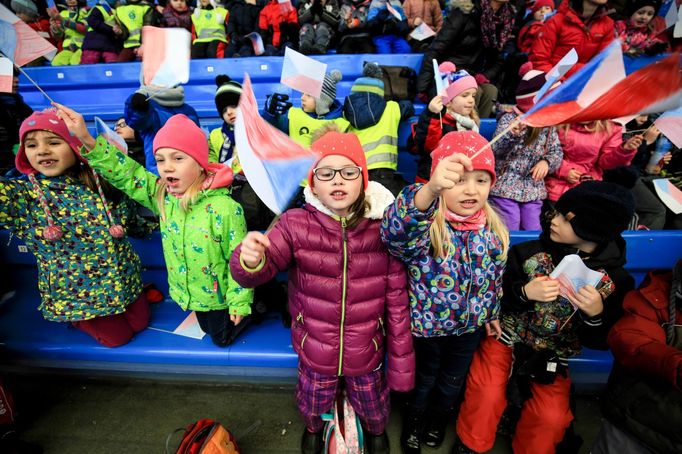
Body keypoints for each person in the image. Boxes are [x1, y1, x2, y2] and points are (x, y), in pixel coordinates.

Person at [230, 127, 415, 454]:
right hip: (313, 344)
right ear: (313, 181)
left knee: (372, 401)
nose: (338, 180)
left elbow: (398, 302)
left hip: (366, 346)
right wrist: (250, 259)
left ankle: (375, 429)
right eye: (326, 172)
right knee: (312, 397)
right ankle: (313, 426)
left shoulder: (384, 228)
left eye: (348, 171)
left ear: (364, 178)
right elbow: (259, 269)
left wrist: (400, 364)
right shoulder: (294, 224)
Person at [455, 180, 636, 454]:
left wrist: (595, 315)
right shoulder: (527, 253)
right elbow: (492, 297)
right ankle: (471, 443)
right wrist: (524, 292)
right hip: (506, 336)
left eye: (567, 219)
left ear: (593, 232)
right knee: (487, 390)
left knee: (550, 417)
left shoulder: (614, 280)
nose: (554, 220)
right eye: (557, 212)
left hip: (553, 356)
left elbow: (603, 340)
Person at [56, 105, 254, 348]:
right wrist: (86, 138)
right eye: (160, 159)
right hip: (193, 294)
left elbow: (239, 262)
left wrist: (239, 303)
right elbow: (127, 174)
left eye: (178, 158)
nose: (167, 167)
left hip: (221, 295)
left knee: (221, 339)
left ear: (201, 163)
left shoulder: (225, 209)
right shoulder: (163, 195)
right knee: (209, 328)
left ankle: (261, 302)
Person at [381, 131, 509, 454]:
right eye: (458, 180)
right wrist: (428, 191)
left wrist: (491, 314)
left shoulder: (493, 230)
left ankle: (439, 418)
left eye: (481, 180)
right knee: (424, 381)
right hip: (428, 330)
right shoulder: (428, 227)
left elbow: (492, 279)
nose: (471, 189)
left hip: (469, 329)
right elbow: (394, 233)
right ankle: (414, 418)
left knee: (452, 381)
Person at [0, 110, 150, 347]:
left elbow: (129, 216)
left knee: (141, 323)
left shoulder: (100, 181)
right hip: (80, 297)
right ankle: (77, 319)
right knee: (118, 338)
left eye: (54, 142)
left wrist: (152, 228)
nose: (42, 150)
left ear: (74, 145)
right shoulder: (24, 195)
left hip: (124, 280)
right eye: (31, 145)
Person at [592, 259, 682, 454]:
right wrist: (674, 363)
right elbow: (627, 337)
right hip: (636, 421)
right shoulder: (657, 293)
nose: (552, 225)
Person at [488, 64, 563, 231]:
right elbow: (496, 149)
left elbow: (556, 151)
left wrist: (547, 162)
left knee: (533, 228)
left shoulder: (548, 125)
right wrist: (512, 135)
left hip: (533, 188)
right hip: (505, 186)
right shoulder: (510, 120)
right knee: (510, 226)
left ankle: (529, 255)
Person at [416, 0, 517, 117]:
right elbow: (436, 49)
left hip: (473, 75)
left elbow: (500, 59)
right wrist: (423, 88)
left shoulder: (507, 18)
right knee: (473, 91)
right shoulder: (464, 12)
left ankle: (475, 131)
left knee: (490, 91)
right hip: (448, 73)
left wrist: (485, 76)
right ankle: (460, 132)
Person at [344, 62, 414, 196]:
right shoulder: (391, 108)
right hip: (382, 169)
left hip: (355, 169)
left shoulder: (345, 112)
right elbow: (408, 107)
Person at [410, 62, 480, 183]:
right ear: (449, 101)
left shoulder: (470, 123)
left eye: (473, 96)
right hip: (431, 181)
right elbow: (426, 146)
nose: (471, 101)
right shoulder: (439, 119)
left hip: (457, 182)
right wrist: (432, 114)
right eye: (465, 95)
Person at [545, 121, 642, 205]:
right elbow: (544, 153)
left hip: (589, 186)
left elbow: (606, 163)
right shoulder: (559, 121)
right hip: (555, 184)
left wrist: (624, 150)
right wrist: (564, 171)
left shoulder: (611, 128)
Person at [123, 83, 200, 175]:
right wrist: (136, 107)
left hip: (187, 172)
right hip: (158, 173)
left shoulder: (188, 110)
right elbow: (137, 121)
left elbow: (196, 142)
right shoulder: (148, 105)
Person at [529, 0, 615, 80]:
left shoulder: (607, 24)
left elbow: (604, 64)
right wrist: (560, 85)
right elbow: (539, 61)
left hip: (584, 87)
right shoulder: (556, 21)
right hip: (554, 87)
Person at [263, 70, 349, 148]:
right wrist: (270, 113)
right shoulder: (293, 115)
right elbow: (273, 127)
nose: (302, 98)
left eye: (309, 95)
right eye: (302, 93)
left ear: (322, 102)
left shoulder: (341, 124)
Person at [48, 0, 89, 66]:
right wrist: (55, 27)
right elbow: (58, 37)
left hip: (84, 48)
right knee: (56, 63)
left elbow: (83, 28)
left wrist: (61, 19)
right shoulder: (63, 13)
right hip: (68, 49)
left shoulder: (88, 11)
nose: (70, 0)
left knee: (75, 62)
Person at [80, 0, 121, 64]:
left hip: (108, 45)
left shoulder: (116, 11)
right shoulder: (99, 8)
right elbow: (92, 21)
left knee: (112, 66)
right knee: (89, 67)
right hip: (94, 44)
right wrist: (111, 29)